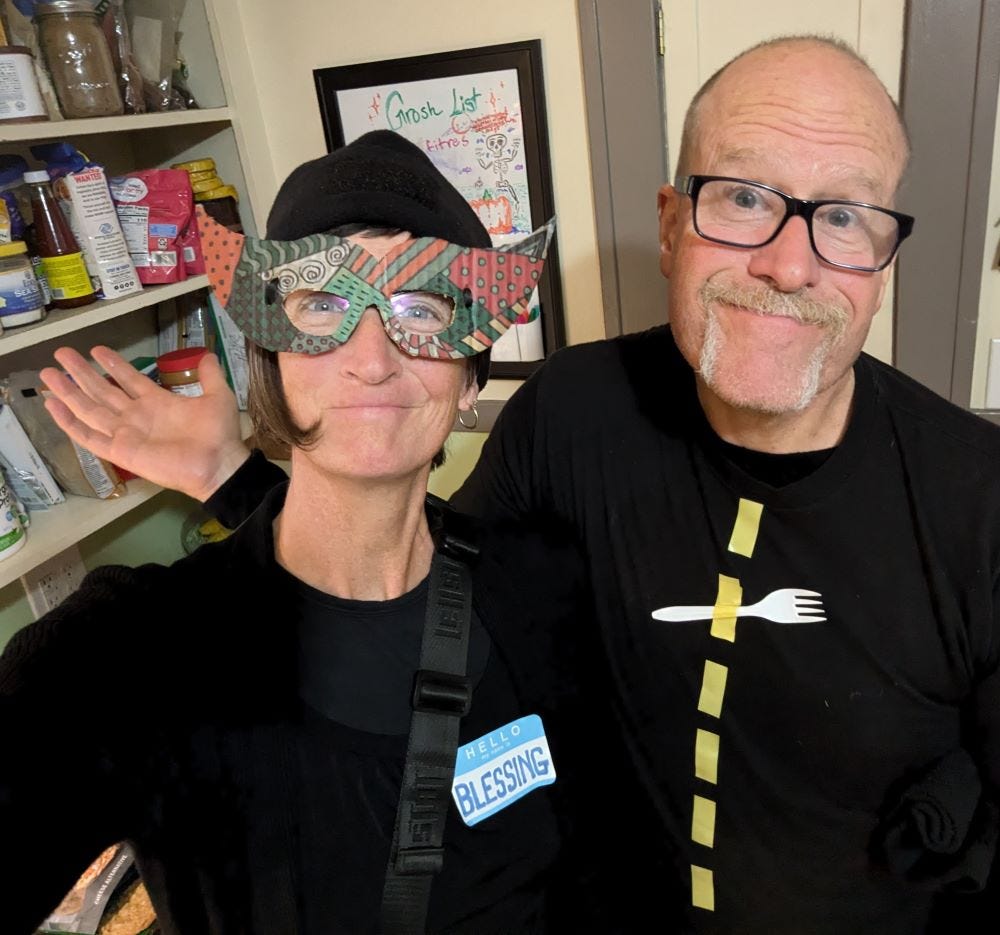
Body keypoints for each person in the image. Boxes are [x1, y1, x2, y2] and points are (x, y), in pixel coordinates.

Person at [33, 35, 1000, 932]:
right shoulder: (574, 418)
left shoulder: (981, 498)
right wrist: (237, 474)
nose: (790, 263)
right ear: (670, 226)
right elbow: (392, 580)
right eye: (743, 197)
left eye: (843, 213)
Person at [0, 130, 629, 935]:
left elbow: (596, 873)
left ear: (469, 374)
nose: (372, 356)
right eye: (322, 303)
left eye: (421, 307)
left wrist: (230, 474)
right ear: (270, 357)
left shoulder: (540, 588)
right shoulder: (135, 651)